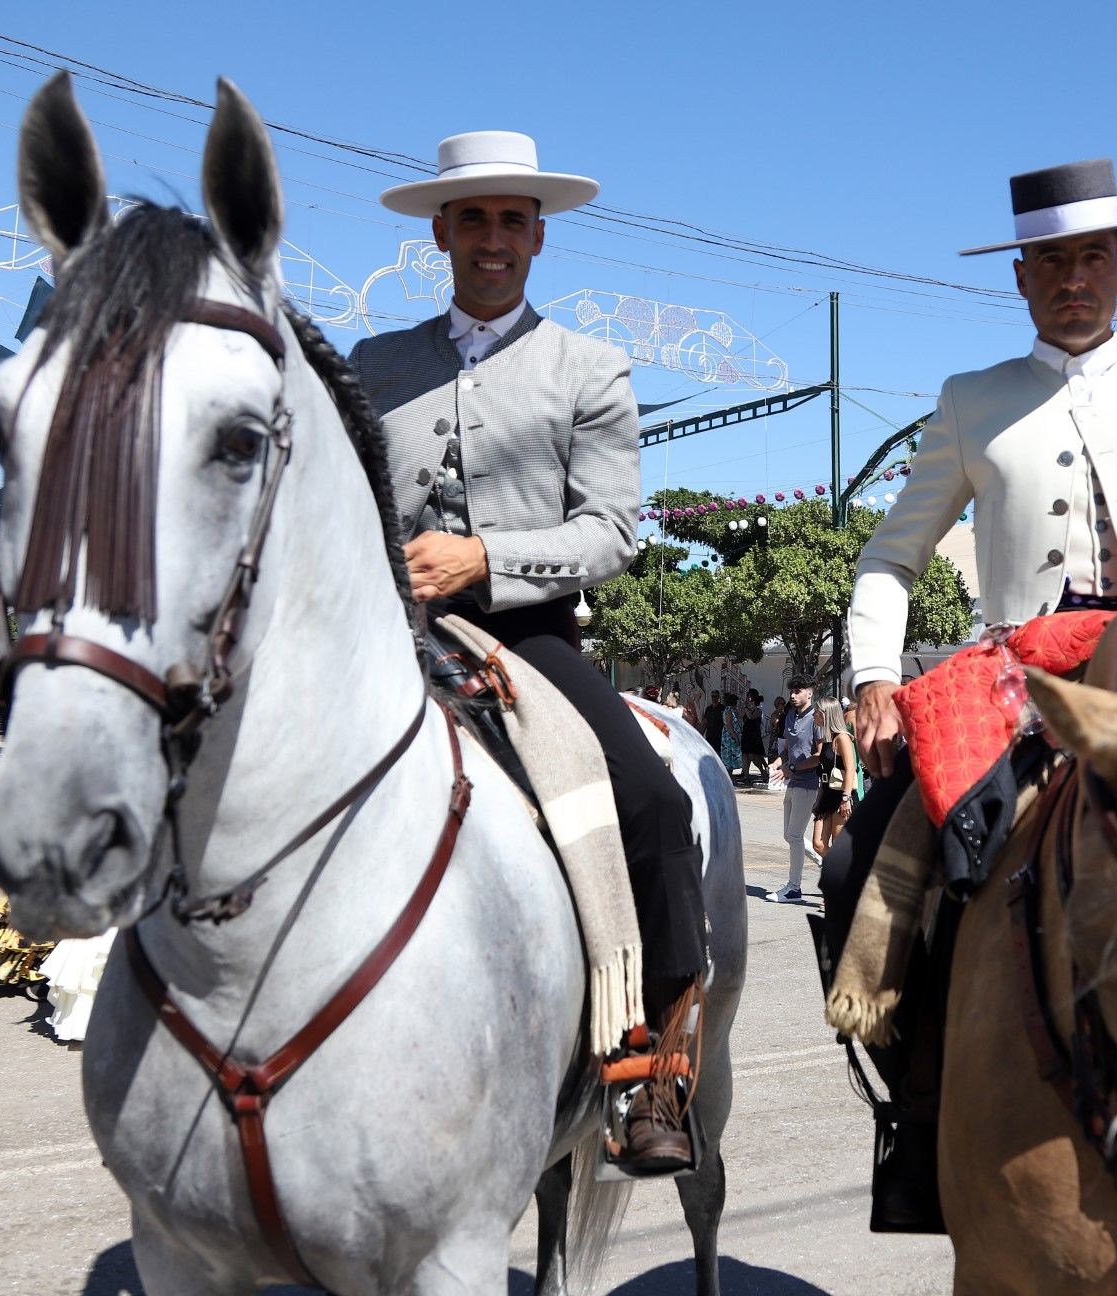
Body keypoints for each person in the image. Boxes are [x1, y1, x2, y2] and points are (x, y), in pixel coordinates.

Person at [821, 157, 1117, 1231]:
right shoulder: (970, 401)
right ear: (1020, 277)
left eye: (1091, 256)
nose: (1072, 278)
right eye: (1050, 260)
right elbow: (885, 557)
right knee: (864, 858)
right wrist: (869, 672)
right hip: (1020, 686)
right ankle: (923, 1126)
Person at [350, 131, 704, 1175]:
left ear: (538, 237)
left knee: (650, 800)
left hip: (526, 635)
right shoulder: (374, 366)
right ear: (439, 233)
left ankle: (654, 1068)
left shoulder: (589, 367)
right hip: (383, 625)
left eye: (511, 220)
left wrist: (481, 559)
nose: (492, 238)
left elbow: (611, 533)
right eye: (473, 218)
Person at [768, 677, 820, 904]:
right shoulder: (791, 716)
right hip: (793, 781)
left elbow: (819, 757)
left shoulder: (817, 717)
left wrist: (791, 768)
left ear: (809, 693)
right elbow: (788, 750)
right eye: (792, 691)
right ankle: (823, 862)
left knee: (795, 835)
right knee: (789, 835)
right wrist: (777, 763)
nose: (792, 695)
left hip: (809, 783)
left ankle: (794, 888)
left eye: (798, 691)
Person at [811, 697, 858, 858]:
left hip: (841, 795)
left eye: (816, 711)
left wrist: (846, 798)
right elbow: (825, 772)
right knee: (818, 844)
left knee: (838, 845)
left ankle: (845, 876)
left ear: (826, 714)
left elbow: (851, 768)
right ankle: (841, 872)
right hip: (826, 795)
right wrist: (819, 798)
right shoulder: (827, 739)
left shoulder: (842, 738)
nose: (813, 715)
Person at [739, 687, 769, 786]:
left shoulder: (758, 709)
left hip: (754, 734)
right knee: (745, 755)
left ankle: (763, 770)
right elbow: (740, 716)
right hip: (746, 733)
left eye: (749, 696)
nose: (747, 698)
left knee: (754, 755)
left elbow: (751, 717)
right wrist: (745, 708)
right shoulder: (746, 708)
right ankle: (746, 776)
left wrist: (747, 708)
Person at [718, 692, 743, 776]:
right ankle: (728, 777)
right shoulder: (729, 711)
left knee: (732, 759)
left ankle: (730, 776)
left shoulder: (733, 710)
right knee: (728, 758)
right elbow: (729, 726)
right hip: (729, 738)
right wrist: (735, 737)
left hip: (733, 736)